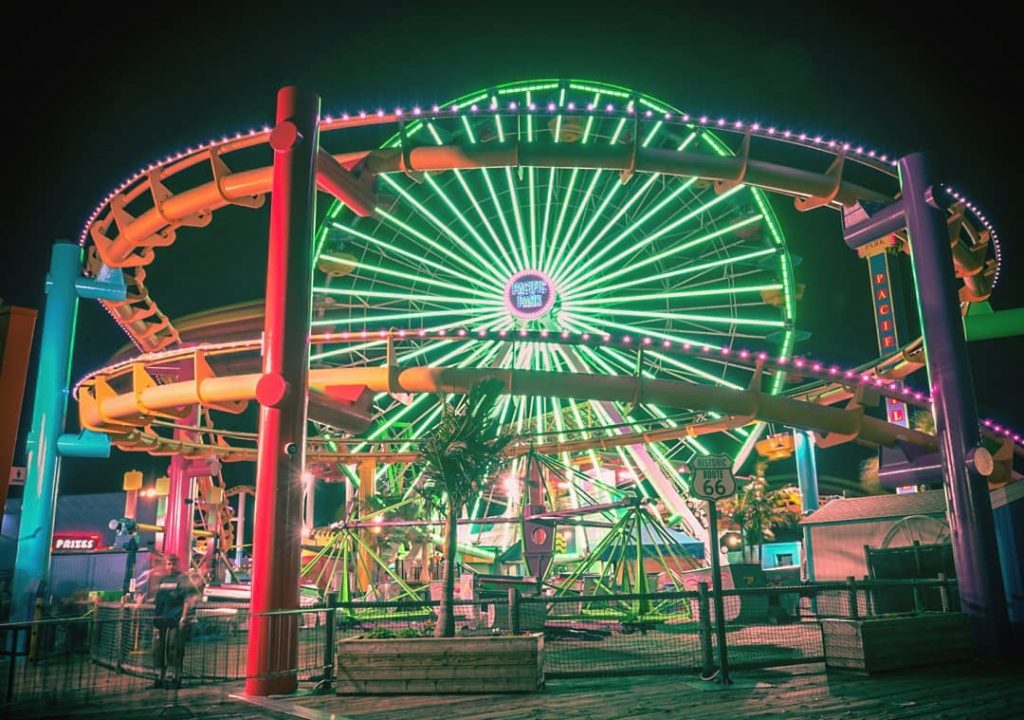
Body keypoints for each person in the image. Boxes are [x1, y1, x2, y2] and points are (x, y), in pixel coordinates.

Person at [152, 553, 198, 688]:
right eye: (168, 564)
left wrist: (183, 617)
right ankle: (160, 677)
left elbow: (187, 599)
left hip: (175, 617)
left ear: (178, 564)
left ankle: (175, 678)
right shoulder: (163, 579)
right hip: (161, 618)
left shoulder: (183, 578)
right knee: (158, 649)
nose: (171, 566)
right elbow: (158, 599)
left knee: (174, 648)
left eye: (173, 564)